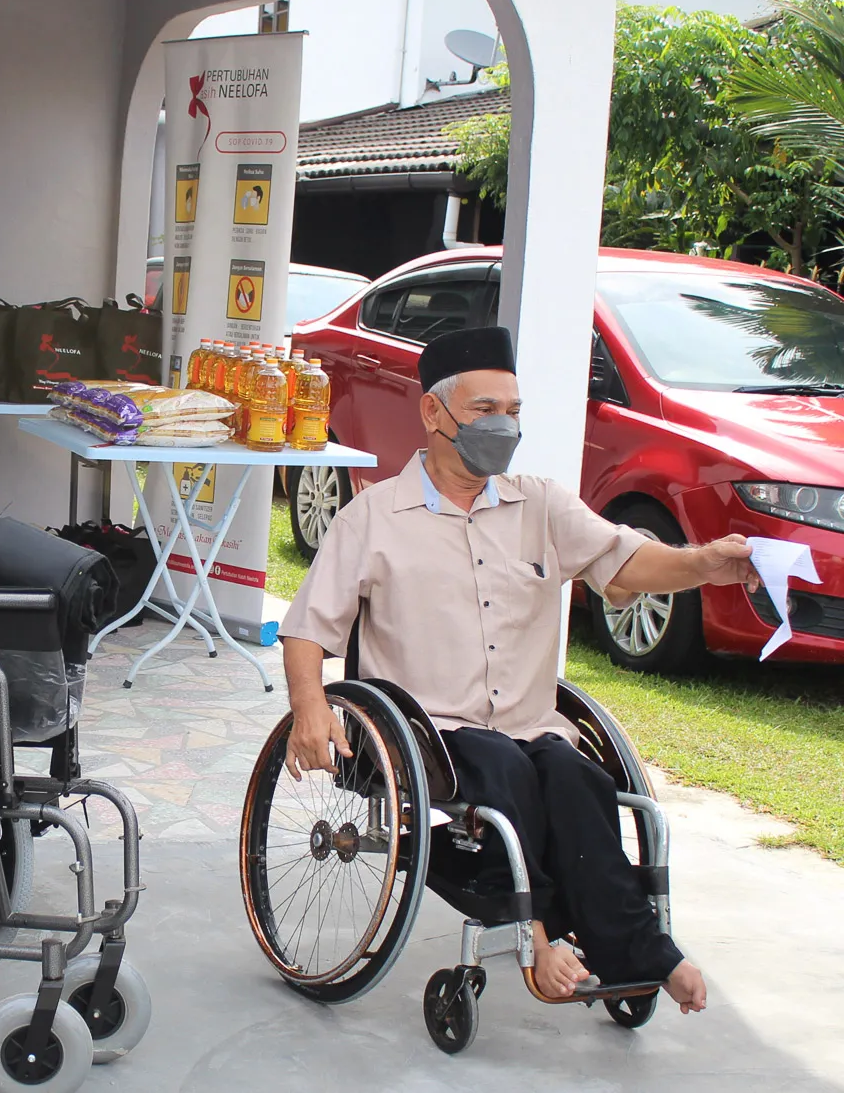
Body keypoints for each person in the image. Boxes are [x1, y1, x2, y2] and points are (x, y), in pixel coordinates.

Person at [278, 326, 759, 1016]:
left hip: (532, 722)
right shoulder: (374, 517)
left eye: (514, 410)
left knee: (579, 776)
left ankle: (639, 948)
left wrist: (704, 561)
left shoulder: (541, 504)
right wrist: (310, 708)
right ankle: (534, 934)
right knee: (502, 770)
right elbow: (307, 628)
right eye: (485, 410)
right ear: (433, 414)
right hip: (433, 730)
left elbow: (624, 560)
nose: (504, 426)